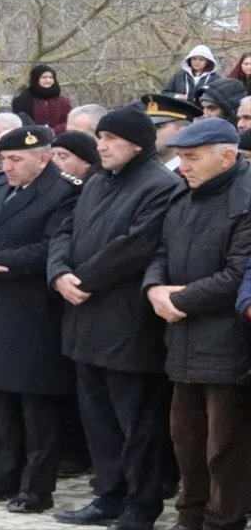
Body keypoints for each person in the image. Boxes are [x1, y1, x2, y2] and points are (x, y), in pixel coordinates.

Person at [47, 105, 185, 530]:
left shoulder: (159, 186)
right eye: (99, 137)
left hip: (127, 324)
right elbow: (64, 230)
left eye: (109, 138)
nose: (100, 145)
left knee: (136, 423)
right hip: (83, 319)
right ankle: (108, 495)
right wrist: (58, 273)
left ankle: (141, 504)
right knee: (98, 418)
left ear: (137, 144)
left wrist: (83, 279)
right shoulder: (96, 181)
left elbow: (135, 246)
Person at [0, 126, 81, 514]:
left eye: (16, 160)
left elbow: (53, 247)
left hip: (34, 314)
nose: (7, 167)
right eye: (3, 159)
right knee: (2, 403)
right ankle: (1, 477)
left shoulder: (65, 192)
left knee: (36, 407)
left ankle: (36, 487)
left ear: (42, 159)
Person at [142, 118, 251, 530]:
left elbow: (239, 273)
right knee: (186, 440)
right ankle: (191, 515)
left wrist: (179, 299)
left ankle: (223, 519)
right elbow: (161, 252)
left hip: (229, 342)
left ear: (227, 155)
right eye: (180, 157)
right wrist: (155, 290)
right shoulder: (183, 199)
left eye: (192, 157)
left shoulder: (245, 199)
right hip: (183, 337)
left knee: (225, 444)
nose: (182, 165)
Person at [142, 93, 202, 173]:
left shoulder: (194, 174)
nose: (149, 132)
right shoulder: (143, 170)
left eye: (157, 127)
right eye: (146, 126)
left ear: (182, 131)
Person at [11, 65, 72, 133]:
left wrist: (54, 131)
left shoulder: (63, 101)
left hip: (59, 138)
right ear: (36, 79)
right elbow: (20, 122)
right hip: (32, 138)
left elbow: (70, 120)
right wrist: (39, 133)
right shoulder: (22, 100)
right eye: (44, 77)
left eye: (51, 77)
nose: (48, 80)